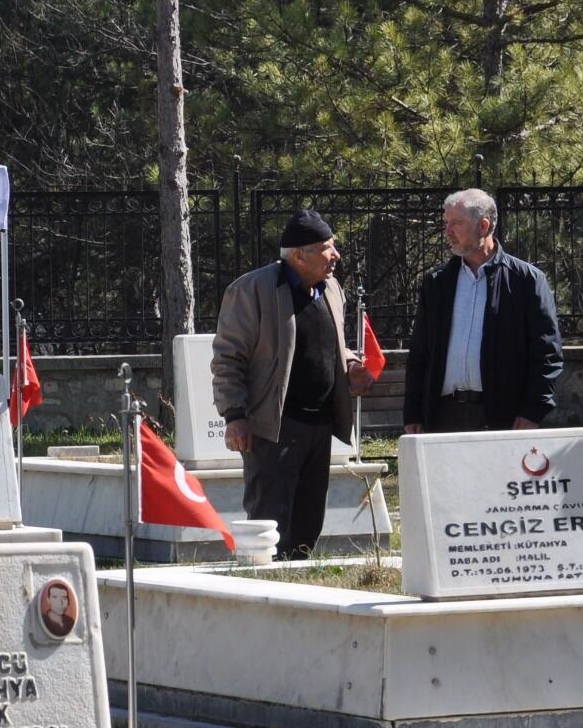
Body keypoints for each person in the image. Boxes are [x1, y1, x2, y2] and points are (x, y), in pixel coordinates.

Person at [210, 208, 377, 559]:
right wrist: (234, 415)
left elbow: (334, 345)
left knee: (308, 518)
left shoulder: (331, 289)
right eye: (327, 248)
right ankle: (263, 584)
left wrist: (351, 367)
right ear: (300, 255)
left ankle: (299, 577)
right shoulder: (252, 290)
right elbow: (228, 358)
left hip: (319, 423)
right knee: (270, 518)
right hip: (274, 426)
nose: (336, 256)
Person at [402, 188, 564, 435]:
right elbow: (419, 355)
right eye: (446, 223)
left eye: (456, 223)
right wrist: (413, 411)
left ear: (483, 226)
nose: (447, 231)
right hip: (443, 417)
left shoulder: (526, 281)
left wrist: (533, 411)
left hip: (503, 417)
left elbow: (547, 355)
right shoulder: (437, 283)